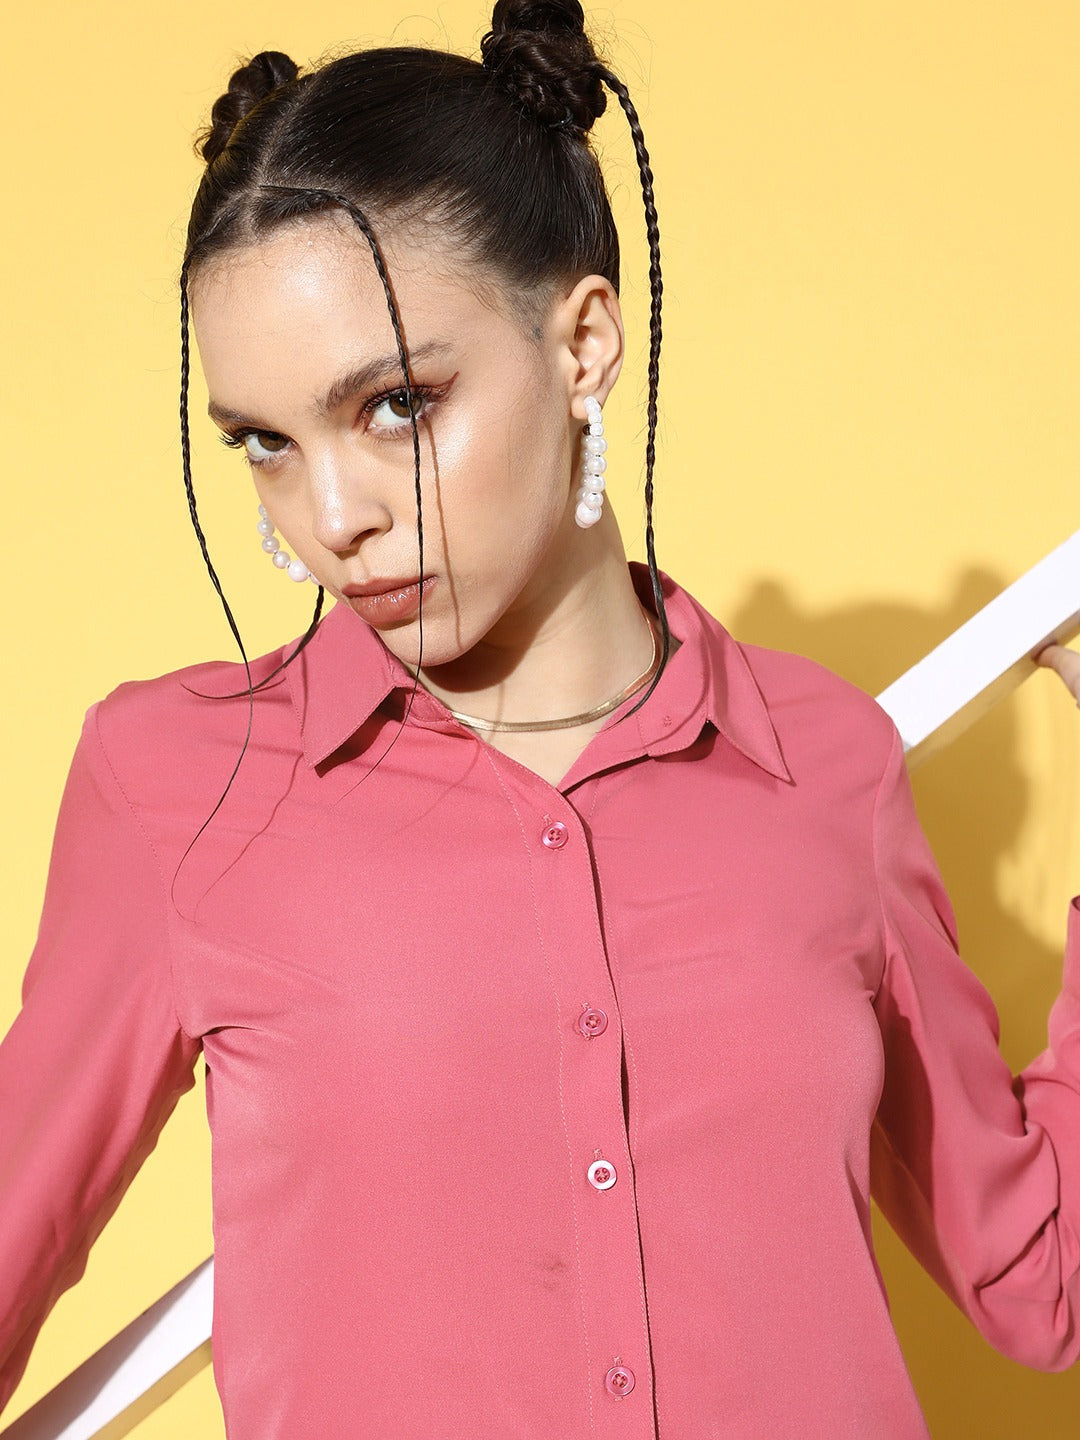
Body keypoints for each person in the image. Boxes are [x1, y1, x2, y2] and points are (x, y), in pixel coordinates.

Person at [1, 2, 1078, 1435]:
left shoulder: (828, 766)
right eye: (265, 443)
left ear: (582, 344)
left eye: (396, 405)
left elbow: (1042, 1284)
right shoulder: (177, 789)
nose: (332, 517)